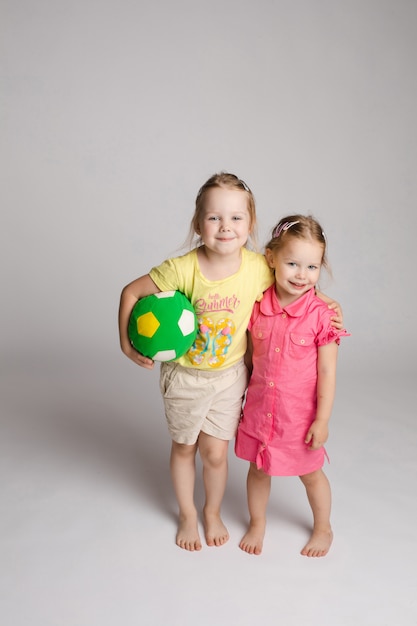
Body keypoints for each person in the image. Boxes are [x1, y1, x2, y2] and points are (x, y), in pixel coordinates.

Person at [119, 175, 342, 552]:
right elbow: (131, 291)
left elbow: (299, 273)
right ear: (197, 223)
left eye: (237, 218)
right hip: (185, 377)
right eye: (214, 218)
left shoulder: (258, 267)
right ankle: (188, 513)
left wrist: (329, 304)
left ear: (251, 224)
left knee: (216, 453)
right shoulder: (183, 268)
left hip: (230, 378)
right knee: (185, 446)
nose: (226, 227)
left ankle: (212, 512)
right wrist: (127, 344)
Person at [235, 215, 349, 557]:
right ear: (271, 259)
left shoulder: (322, 315)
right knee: (257, 469)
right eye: (292, 263)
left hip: (299, 416)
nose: (302, 274)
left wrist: (322, 419)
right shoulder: (257, 305)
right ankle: (257, 523)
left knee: (311, 474)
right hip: (260, 411)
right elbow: (249, 359)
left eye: (312, 267)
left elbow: (328, 372)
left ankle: (323, 528)